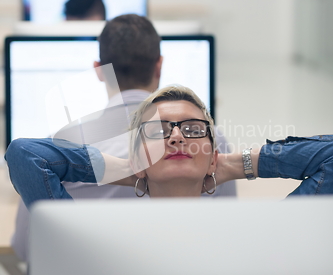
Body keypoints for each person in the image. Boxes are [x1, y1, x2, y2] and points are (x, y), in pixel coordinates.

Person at [11, 15, 236, 260]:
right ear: (159, 66)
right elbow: (224, 232)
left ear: (99, 70)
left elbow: (25, 248)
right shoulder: (208, 142)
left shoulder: (57, 150)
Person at [5, 85, 333, 207]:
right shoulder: (94, 239)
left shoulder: (254, 236)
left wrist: (231, 164)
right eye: (158, 132)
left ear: (213, 152)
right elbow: (26, 156)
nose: (176, 137)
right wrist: (133, 169)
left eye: (192, 130)